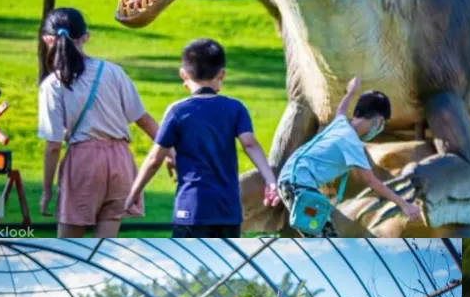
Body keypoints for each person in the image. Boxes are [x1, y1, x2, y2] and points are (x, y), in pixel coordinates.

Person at [125, 37, 279, 237]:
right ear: (222, 74)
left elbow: (155, 159)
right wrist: (270, 180)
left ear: (184, 75)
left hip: (191, 209)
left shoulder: (177, 112)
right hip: (228, 211)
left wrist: (133, 193)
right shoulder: (235, 108)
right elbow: (249, 144)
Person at [38, 7, 167, 237]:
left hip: (82, 162)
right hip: (120, 161)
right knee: (104, 246)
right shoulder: (113, 72)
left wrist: (47, 190)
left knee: (70, 248)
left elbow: (54, 144)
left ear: (47, 39)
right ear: (86, 37)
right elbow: (143, 120)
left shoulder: (53, 85)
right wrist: (172, 154)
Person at [278, 77, 422, 236]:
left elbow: (341, 110)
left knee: (325, 233)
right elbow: (371, 181)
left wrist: (351, 92)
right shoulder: (351, 143)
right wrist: (404, 205)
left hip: (293, 180)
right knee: (323, 237)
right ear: (378, 121)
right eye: (382, 124)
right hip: (297, 185)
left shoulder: (342, 123)